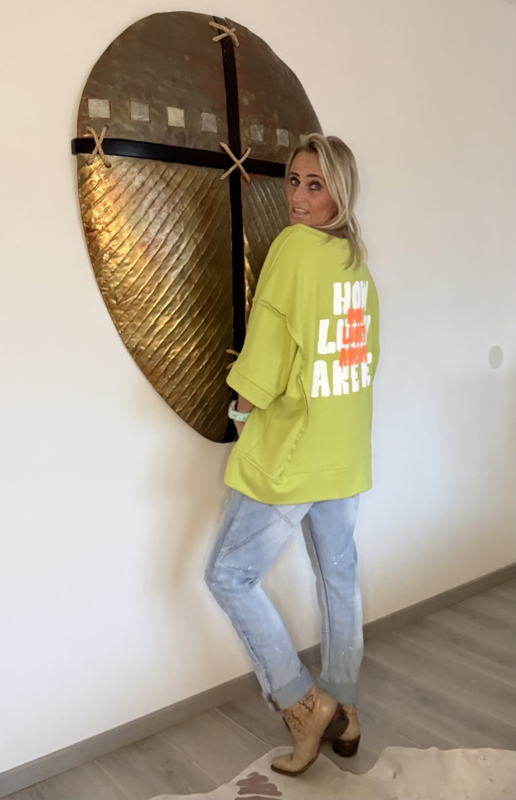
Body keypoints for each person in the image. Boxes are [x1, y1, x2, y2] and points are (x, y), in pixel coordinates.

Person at [205, 133, 380, 777]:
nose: (300, 198)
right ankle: (346, 709)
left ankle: (304, 706)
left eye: (316, 184)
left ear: (340, 192)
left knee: (228, 575)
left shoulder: (293, 249)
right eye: (294, 181)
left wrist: (239, 413)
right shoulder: (356, 261)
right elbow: (364, 357)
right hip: (344, 450)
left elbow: (266, 355)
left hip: (297, 452)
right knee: (338, 575)